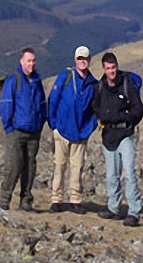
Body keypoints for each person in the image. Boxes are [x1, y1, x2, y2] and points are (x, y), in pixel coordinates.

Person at [93, 52, 143, 227]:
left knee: (129, 173)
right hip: (108, 136)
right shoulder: (100, 87)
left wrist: (127, 120)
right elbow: (96, 107)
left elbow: (138, 109)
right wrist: (104, 117)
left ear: (117, 66)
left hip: (125, 135)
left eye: (113, 67)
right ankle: (113, 207)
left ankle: (134, 211)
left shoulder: (126, 85)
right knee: (112, 175)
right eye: (108, 68)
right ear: (104, 69)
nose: (111, 71)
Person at [48, 46, 98, 214]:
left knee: (77, 167)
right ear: (75, 60)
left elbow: (96, 109)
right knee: (59, 165)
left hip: (81, 133)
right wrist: (53, 124)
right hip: (62, 130)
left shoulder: (93, 84)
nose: (82, 61)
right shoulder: (66, 77)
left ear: (89, 60)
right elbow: (53, 100)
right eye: (79, 58)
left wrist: (90, 127)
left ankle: (75, 200)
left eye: (85, 58)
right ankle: (57, 200)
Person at [0, 47, 47, 212]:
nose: (32, 64)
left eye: (33, 60)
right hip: (17, 132)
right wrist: (9, 127)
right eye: (29, 60)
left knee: (30, 168)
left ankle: (26, 201)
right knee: (13, 166)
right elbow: (6, 105)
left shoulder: (37, 82)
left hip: (34, 132)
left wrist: (40, 124)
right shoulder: (14, 81)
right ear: (21, 62)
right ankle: (5, 199)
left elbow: (42, 105)